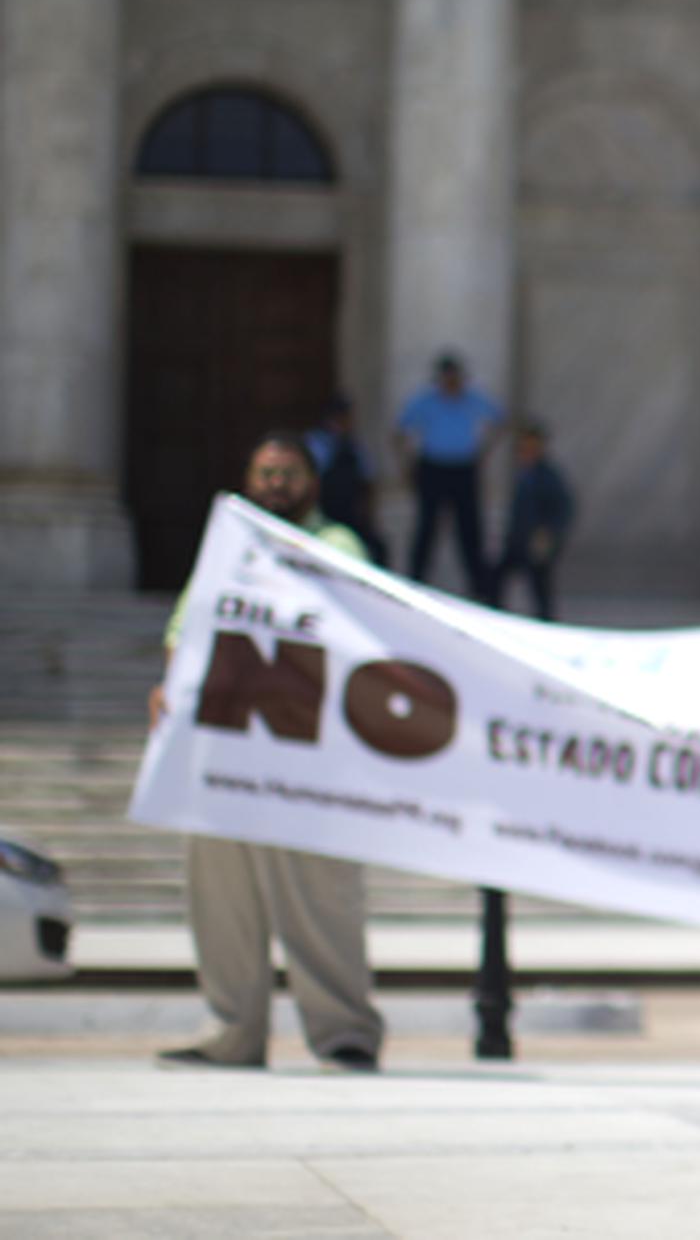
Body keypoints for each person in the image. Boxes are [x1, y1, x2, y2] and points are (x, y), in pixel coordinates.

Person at [148, 432, 387, 1073]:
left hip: (304, 751)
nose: (275, 485)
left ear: (310, 481)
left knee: (319, 896)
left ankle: (343, 1033)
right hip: (224, 746)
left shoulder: (337, 546)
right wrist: (171, 682)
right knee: (222, 897)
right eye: (264, 473)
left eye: (287, 474)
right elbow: (186, 625)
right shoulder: (226, 547)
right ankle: (232, 1033)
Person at [395, 351, 505, 599]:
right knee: (427, 527)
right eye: (447, 378)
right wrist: (406, 466)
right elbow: (400, 430)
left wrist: (483, 452)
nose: (451, 383)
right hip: (433, 468)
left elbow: (499, 420)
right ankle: (415, 583)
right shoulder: (426, 400)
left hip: (463, 468)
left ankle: (480, 588)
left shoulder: (473, 398)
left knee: (470, 529)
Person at [487, 418, 577, 622]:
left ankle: (547, 626)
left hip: (536, 542)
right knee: (495, 580)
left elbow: (563, 509)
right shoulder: (524, 472)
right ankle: (495, 619)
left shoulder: (548, 476)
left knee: (540, 589)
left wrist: (548, 534)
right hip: (518, 541)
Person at [306, 393, 387, 566]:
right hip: (325, 515)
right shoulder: (315, 443)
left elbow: (369, 480)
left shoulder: (355, 446)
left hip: (352, 517)